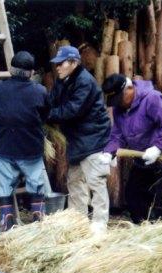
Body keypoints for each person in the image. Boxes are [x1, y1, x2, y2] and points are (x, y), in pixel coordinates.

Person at [47, 45, 111, 235]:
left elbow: (72, 110)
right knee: (74, 180)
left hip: (93, 136)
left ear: (74, 63)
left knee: (95, 180)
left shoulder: (84, 81)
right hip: (75, 138)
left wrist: (47, 116)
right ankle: (78, 220)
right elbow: (52, 101)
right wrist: (40, 109)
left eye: (61, 63)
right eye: (56, 64)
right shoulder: (62, 80)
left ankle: (100, 224)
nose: (57, 67)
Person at [102, 73, 162, 223]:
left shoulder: (152, 99)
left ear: (129, 89)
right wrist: (109, 152)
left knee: (161, 202)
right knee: (133, 196)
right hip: (141, 158)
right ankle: (141, 228)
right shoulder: (119, 109)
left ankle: (161, 231)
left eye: (119, 99)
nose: (117, 104)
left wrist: (157, 148)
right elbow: (117, 135)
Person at [0, 51, 49, 232]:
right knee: (35, 182)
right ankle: (39, 219)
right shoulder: (40, 91)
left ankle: (6, 221)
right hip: (30, 146)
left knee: (4, 183)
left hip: (5, 145)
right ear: (31, 72)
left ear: (11, 69)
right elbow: (45, 114)